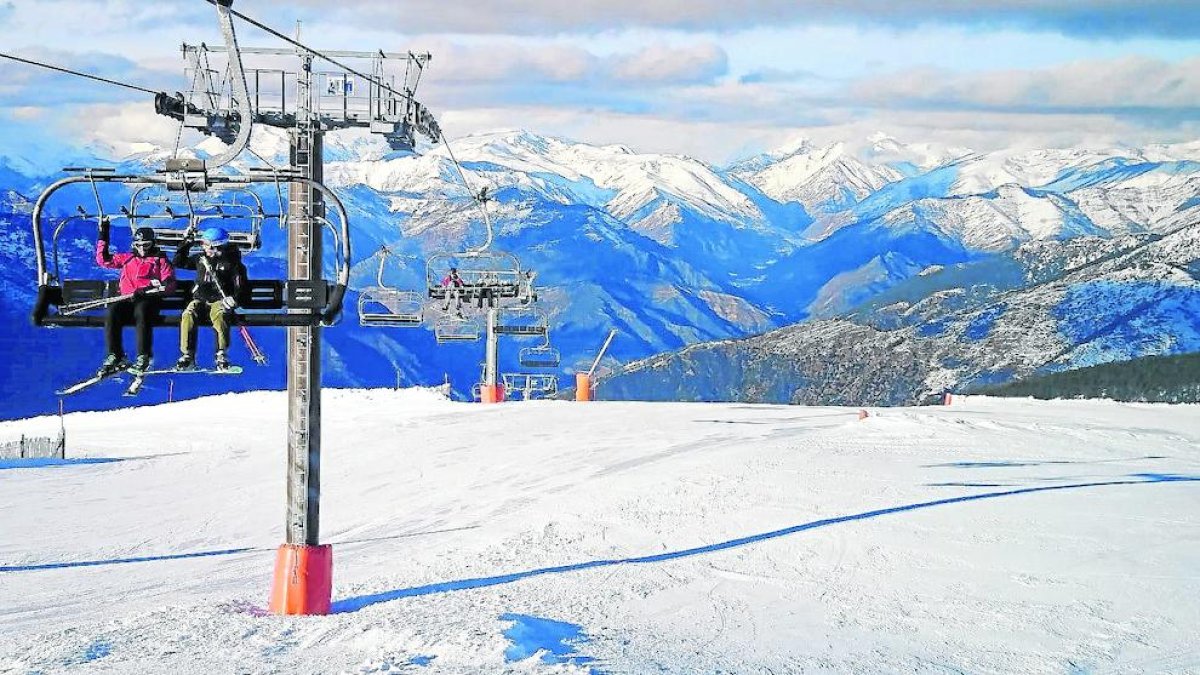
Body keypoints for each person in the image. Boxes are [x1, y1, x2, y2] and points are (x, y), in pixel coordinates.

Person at [95, 222, 177, 376]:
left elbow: (169, 284)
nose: (142, 249)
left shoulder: (160, 261)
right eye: (138, 244)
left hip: (149, 300)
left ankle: (143, 355)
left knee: (142, 312)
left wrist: (150, 290)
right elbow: (103, 260)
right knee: (113, 312)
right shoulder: (128, 258)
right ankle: (115, 354)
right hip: (128, 299)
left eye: (146, 245)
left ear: (152, 244)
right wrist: (103, 234)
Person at [172, 226, 248, 371]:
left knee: (220, 316)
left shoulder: (233, 264)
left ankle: (221, 354)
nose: (204, 248)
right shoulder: (201, 259)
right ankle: (187, 354)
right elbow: (179, 261)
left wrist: (235, 299)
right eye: (203, 244)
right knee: (188, 315)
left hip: (219, 300)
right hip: (200, 299)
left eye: (207, 245)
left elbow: (242, 286)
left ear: (217, 246)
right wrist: (186, 242)